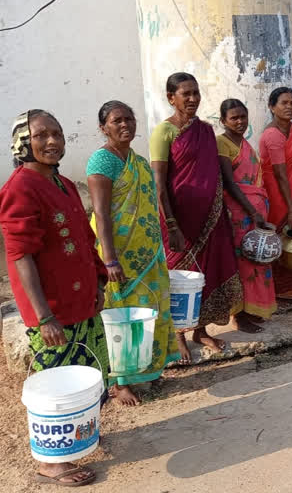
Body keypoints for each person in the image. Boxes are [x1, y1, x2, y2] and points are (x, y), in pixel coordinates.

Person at [0, 110, 109, 486]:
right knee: (56, 390)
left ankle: (80, 438)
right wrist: (44, 317)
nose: (52, 141)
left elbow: (83, 237)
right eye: (42, 134)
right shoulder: (20, 187)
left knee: (86, 381)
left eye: (58, 133)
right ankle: (52, 464)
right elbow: (20, 254)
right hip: (53, 314)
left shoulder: (61, 182)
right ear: (22, 142)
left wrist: (99, 282)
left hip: (81, 302)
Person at [87, 101, 180, 406]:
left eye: (129, 119)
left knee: (149, 310)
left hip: (148, 253)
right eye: (117, 120)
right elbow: (101, 214)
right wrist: (110, 260)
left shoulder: (138, 162)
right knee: (121, 317)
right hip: (120, 256)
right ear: (104, 127)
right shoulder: (102, 162)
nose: (125, 124)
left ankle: (147, 368)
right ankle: (119, 383)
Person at [150, 72, 242, 361]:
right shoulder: (163, 132)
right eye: (185, 94)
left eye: (196, 93)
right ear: (171, 98)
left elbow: (212, 174)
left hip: (210, 217)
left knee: (205, 273)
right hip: (179, 221)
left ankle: (200, 330)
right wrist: (172, 224)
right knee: (179, 276)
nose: (192, 99)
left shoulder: (204, 131)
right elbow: (159, 182)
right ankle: (178, 334)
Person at [217, 98, 277, 329]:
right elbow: (230, 184)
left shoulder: (245, 144)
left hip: (255, 211)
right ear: (223, 121)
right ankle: (239, 315)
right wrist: (252, 211)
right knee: (243, 262)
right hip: (239, 213)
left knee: (258, 259)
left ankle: (253, 307)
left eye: (243, 116)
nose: (240, 121)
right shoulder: (222, 144)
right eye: (234, 118)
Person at [259, 87, 292, 303]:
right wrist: (291, 209)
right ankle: (278, 293)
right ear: (272, 107)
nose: (290, 107)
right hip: (280, 198)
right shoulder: (273, 135)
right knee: (282, 241)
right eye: (284, 103)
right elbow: (281, 176)